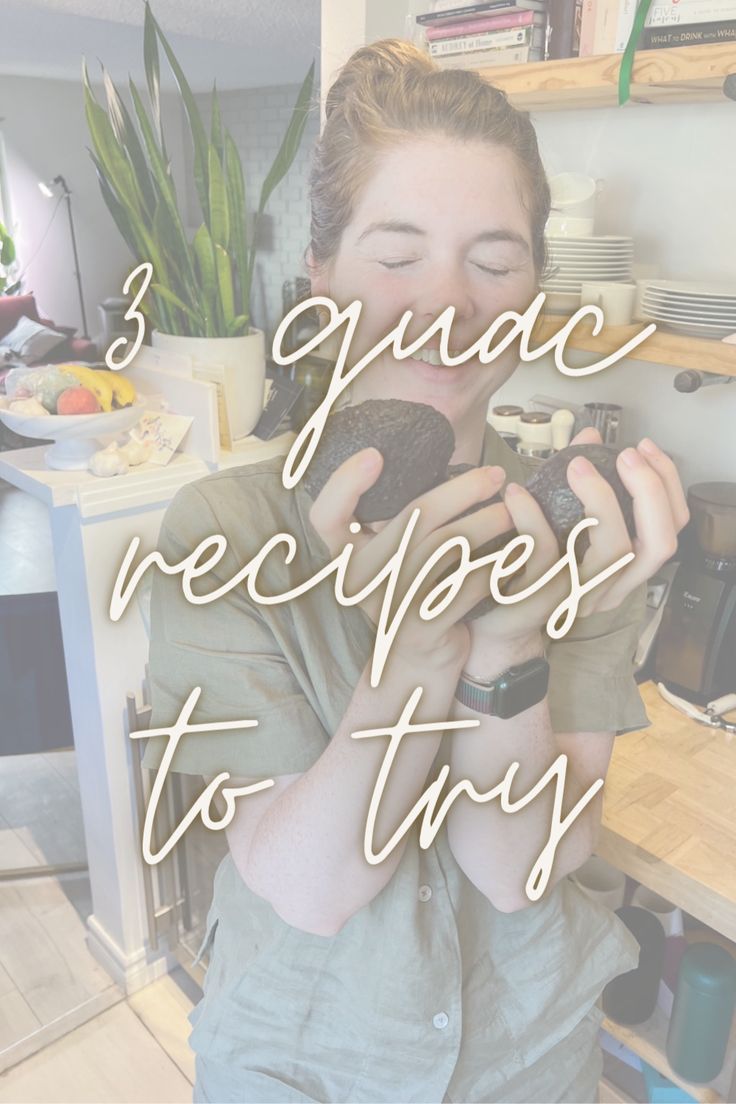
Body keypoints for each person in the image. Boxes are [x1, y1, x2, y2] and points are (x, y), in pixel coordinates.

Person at [142, 40, 688, 1103]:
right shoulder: (225, 535)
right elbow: (313, 886)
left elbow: (525, 864)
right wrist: (415, 656)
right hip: (304, 1069)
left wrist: (508, 644)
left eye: (493, 261)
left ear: (534, 290)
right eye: (397, 255)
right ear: (323, 278)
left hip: (531, 1063)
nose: (448, 305)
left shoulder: (582, 530)